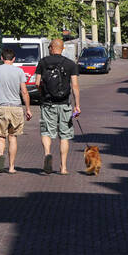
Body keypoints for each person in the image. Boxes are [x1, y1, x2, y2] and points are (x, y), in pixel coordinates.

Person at [0, 46, 32, 174]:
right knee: (13, 137)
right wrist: (28, 108)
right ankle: (11, 167)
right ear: (14, 59)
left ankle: (1, 155)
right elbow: (24, 92)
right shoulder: (19, 72)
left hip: (1, 106)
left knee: (1, 135)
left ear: (1, 58)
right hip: (16, 107)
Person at [36, 38, 80, 174]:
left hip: (48, 104)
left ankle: (48, 153)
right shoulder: (71, 64)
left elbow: (37, 83)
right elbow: (75, 86)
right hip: (64, 104)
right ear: (63, 48)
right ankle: (64, 167)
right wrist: (77, 105)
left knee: (46, 132)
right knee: (64, 135)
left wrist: (42, 94)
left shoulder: (43, 62)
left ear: (51, 48)